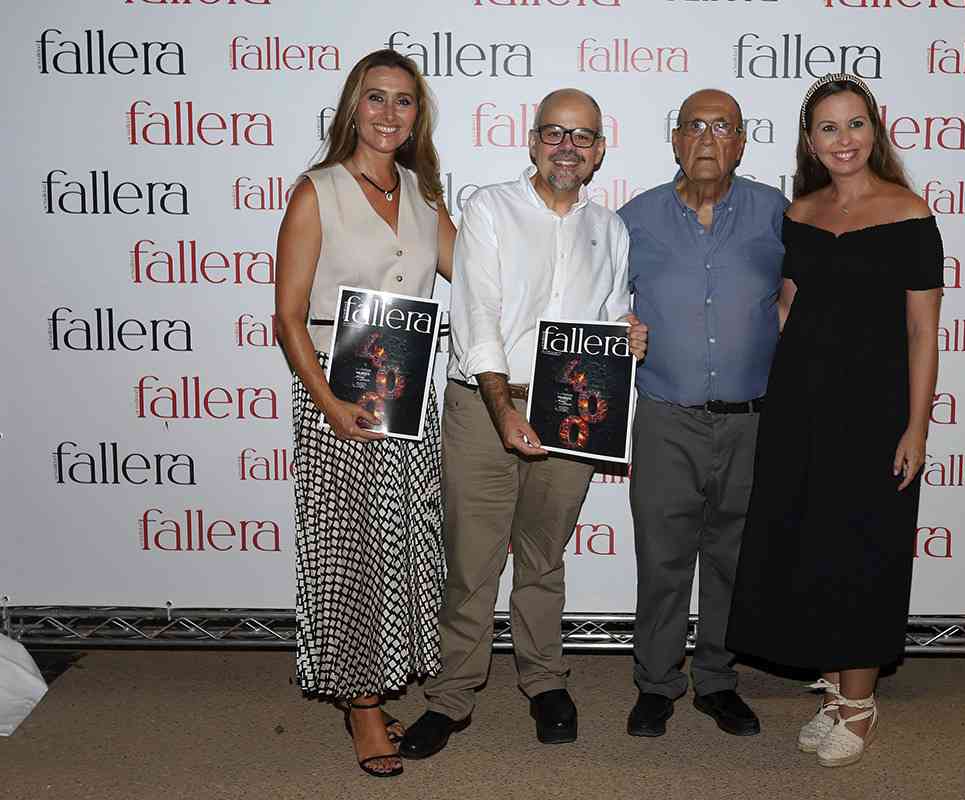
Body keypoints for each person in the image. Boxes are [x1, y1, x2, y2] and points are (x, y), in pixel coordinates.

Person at [398, 88, 648, 759]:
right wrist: (503, 406)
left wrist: (626, 333)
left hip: (571, 411)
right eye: (554, 133)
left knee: (543, 556)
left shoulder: (612, 229)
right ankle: (452, 696)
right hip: (484, 405)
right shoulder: (489, 208)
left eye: (582, 136)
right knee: (472, 560)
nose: (568, 147)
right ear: (534, 142)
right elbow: (476, 312)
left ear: (599, 151)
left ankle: (545, 681)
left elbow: (607, 315)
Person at [726, 73, 944, 768]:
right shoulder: (802, 212)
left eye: (855, 124)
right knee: (812, 545)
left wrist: (916, 427)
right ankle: (834, 693)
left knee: (864, 548)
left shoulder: (909, 213)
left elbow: (923, 331)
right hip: (800, 404)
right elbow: (787, 307)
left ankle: (860, 704)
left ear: (874, 131)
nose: (843, 139)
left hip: (875, 410)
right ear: (810, 140)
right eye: (829, 127)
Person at [274, 49, 456, 778]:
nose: (389, 113)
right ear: (353, 107)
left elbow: (483, 278)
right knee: (349, 554)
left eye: (403, 101)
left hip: (408, 400)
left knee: (402, 549)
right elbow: (289, 317)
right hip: (338, 400)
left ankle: (377, 681)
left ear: (417, 117)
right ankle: (362, 706)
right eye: (376, 98)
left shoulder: (421, 194)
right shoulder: (316, 192)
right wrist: (330, 404)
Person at [616, 89, 791, 739]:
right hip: (667, 417)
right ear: (676, 140)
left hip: (752, 421)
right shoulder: (634, 219)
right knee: (662, 560)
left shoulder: (777, 213)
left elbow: (803, 292)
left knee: (732, 560)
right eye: (695, 126)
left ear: (742, 142)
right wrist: (619, 325)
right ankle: (656, 683)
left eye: (723, 127)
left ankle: (717, 681)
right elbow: (600, 301)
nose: (709, 138)